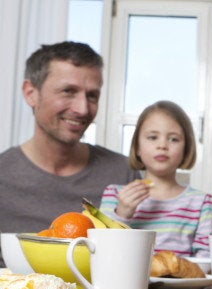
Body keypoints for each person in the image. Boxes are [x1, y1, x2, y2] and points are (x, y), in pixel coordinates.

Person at [0, 41, 140, 234]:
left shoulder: (122, 173)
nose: (82, 109)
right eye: (68, 91)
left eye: (92, 96)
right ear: (31, 94)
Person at [99, 101, 212, 258]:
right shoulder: (114, 195)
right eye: (153, 137)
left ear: (186, 149)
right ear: (138, 148)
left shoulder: (201, 202)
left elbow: (207, 258)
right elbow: (102, 250)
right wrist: (122, 214)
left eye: (174, 139)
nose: (162, 145)